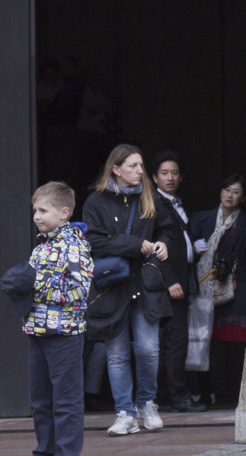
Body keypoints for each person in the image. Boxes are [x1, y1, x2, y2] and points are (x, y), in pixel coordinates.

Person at [83, 143, 177, 436]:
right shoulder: (95, 202)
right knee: (117, 353)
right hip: (112, 287)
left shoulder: (151, 198)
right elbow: (95, 242)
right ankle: (124, 412)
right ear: (116, 169)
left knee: (149, 350)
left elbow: (169, 230)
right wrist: (137, 245)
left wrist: (163, 244)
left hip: (146, 285)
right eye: (133, 166)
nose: (140, 171)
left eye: (140, 165)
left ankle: (147, 403)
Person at [21, 182, 93, 456]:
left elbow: (79, 290)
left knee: (66, 401)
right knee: (41, 401)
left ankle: (66, 452)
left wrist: (34, 283)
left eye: (43, 210)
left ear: (64, 212)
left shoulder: (73, 244)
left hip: (64, 333)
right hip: (37, 330)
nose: (37, 216)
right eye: (34, 210)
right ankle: (45, 450)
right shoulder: (42, 245)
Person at [189, 175, 246, 407]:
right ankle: (206, 393)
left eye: (236, 192)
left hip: (234, 291)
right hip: (203, 289)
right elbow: (185, 247)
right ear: (220, 192)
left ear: (243, 198)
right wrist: (193, 246)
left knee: (234, 345)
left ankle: (234, 395)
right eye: (227, 190)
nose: (230, 195)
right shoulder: (202, 219)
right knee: (204, 344)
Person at [150, 150, 207, 413]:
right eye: (164, 173)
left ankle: (171, 396)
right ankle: (176, 397)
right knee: (173, 340)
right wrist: (170, 281)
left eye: (174, 173)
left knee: (174, 340)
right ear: (154, 178)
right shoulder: (155, 205)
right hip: (167, 283)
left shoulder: (176, 202)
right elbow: (156, 248)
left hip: (183, 277)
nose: (170, 178)